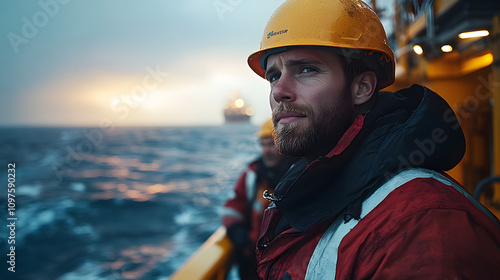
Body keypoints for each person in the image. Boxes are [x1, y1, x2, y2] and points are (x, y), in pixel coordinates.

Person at [245, 0, 500, 279]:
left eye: (307, 69)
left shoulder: (420, 225)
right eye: (273, 76)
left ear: (362, 87)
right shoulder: (307, 184)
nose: (279, 91)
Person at [222, 119, 294, 280]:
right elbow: (233, 206)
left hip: (291, 264)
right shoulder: (252, 175)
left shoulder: (301, 172)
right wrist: (235, 230)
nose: (266, 150)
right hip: (254, 264)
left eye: (272, 144)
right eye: (263, 144)